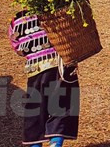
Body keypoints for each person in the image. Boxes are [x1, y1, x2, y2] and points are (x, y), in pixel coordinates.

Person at [9, 11, 79, 147]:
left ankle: (36, 144)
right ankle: (56, 143)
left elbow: (17, 47)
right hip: (60, 67)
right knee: (61, 106)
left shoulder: (16, 21)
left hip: (35, 71)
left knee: (36, 109)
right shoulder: (59, 11)